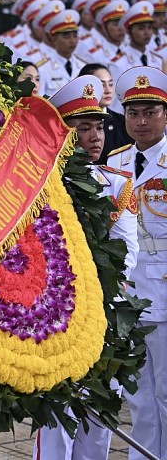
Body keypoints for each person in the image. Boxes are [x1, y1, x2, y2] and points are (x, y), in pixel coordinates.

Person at [33, 75, 138, 460]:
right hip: (57, 315)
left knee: (99, 415)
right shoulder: (39, 186)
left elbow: (129, 253)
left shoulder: (115, 185)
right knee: (57, 416)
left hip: (105, 313)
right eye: (83, 128)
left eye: (99, 127)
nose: (95, 136)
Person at [106, 66, 167, 460]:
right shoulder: (116, 161)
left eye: (150, 112)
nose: (140, 121)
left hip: (165, 293)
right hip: (128, 295)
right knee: (140, 398)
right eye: (133, 113)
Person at [79, 63, 133, 162]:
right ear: (86, 88)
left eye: (111, 84)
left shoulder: (123, 122)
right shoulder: (74, 123)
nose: (108, 90)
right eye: (102, 85)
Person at [38, 5, 91, 96]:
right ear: (54, 39)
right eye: (66, 36)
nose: (72, 41)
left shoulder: (84, 66)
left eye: (75, 36)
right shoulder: (43, 68)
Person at [121, 1, 166, 70]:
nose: (147, 33)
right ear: (128, 31)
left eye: (150, 27)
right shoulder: (120, 62)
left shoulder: (158, 59)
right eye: (141, 28)